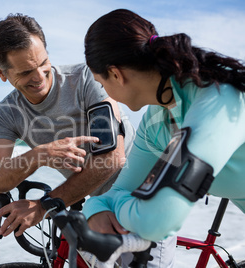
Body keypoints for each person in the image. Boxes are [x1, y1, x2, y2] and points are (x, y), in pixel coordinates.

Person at [0, 13, 175, 267]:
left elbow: (112, 158)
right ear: (0, 73)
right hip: (98, 203)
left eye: (43, 63)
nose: (39, 76)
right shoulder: (7, 113)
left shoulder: (85, 79)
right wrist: (39, 155)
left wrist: (43, 206)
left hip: (146, 197)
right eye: (26, 72)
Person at [81, 8, 245, 264]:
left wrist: (120, 205)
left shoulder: (217, 96)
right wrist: (95, 209)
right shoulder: (156, 120)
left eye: (102, 84)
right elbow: (119, 191)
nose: (106, 92)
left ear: (116, 74)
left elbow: (156, 220)